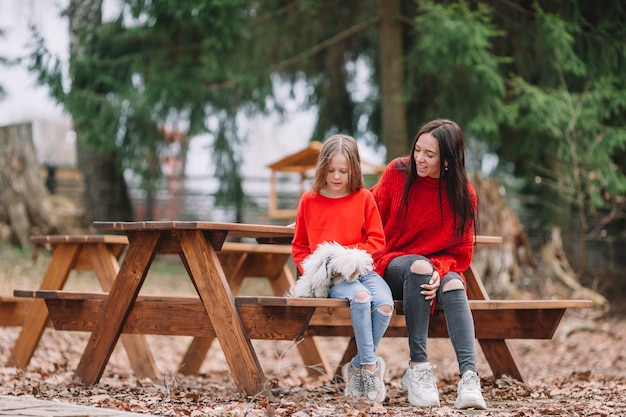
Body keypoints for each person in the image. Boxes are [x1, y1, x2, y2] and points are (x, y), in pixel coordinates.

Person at [370, 119, 488, 410]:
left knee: (455, 282)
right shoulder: (398, 172)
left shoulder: (463, 194)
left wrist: (440, 268)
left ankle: (470, 377)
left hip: (432, 269)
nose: (419, 158)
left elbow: (460, 253)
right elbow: (367, 209)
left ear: (447, 159)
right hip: (391, 263)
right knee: (421, 268)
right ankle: (419, 368)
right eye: (417, 150)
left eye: (429, 155)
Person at [291, 134, 394, 403]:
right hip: (332, 278)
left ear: (354, 170)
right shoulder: (309, 201)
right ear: (322, 168)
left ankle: (357, 365)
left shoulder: (363, 198)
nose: (337, 177)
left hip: (363, 270)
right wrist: (318, 272)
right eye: (331, 170)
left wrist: (353, 260)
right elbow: (300, 247)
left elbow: (377, 241)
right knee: (360, 298)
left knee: (384, 305)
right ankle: (370, 369)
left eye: (343, 171)